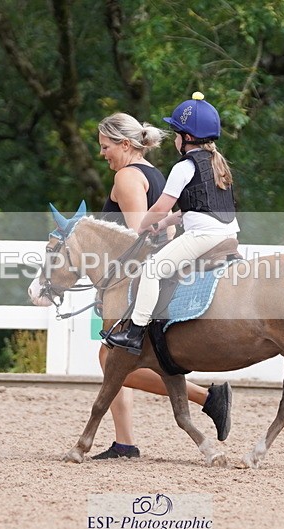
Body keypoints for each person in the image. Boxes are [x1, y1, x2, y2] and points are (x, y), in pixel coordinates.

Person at [92, 112, 232, 460]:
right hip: (160, 264)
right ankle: (124, 440)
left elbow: (140, 231)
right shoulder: (153, 173)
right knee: (110, 358)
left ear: (124, 144)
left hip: (140, 275)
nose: (102, 153)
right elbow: (168, 227)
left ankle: (204, 397)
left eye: (105, 146)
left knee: (111, 356)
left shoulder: (126, 177)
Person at [105, 93, 239, 356]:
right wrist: (164, 222)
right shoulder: (217, 163)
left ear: (187, 138)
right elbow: (186, 211)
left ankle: (135, 331)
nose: (175, 139)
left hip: (203, 236)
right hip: (229, 234)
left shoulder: (185, 166)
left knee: (152, 270)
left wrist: (144, 225)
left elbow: (160, 207)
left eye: (177, 134)